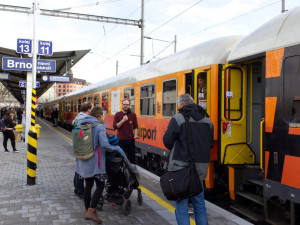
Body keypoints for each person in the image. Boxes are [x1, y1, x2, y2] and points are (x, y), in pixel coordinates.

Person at [163, 94, 214, 225]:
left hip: (181, 170)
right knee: (200, 205)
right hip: (199, 170)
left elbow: (167, 142)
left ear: (181, 105)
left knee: (181, 206)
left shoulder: (178, 118)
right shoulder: (207, 121)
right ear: (193, 103)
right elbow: (210, 144)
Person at [75, 106, 124, 223]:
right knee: (100, 186)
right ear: (100, 115)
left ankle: (87, 210)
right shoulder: (99, 126)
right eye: (103, 114)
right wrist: (114, 148)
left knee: (88, 185)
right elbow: (104, 144)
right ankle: (91, 212)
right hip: (95, 162)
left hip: (84, 160)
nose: (104, 117)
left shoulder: (82, 123)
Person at [72, 101, 94, 199]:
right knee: (81, 169)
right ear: (89, 109)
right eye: (92, 108)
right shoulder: (83, 118)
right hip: (83, 146)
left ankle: (77, 188)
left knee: (78, 168)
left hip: (78, 146)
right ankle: (79, 190)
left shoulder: (78, 116)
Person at [113, 99, 138, 163]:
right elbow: (115, 126)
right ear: (122, 105)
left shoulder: (133, 115)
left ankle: (131, 171)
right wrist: (123, 120)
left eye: (127, 104)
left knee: (131, 159)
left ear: (129, 105)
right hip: (121, 140)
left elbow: (135, 126)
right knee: (120, 158)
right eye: (124, 104)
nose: (126, 106)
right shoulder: (117, 114)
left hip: (131, 140)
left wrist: (135, 135)